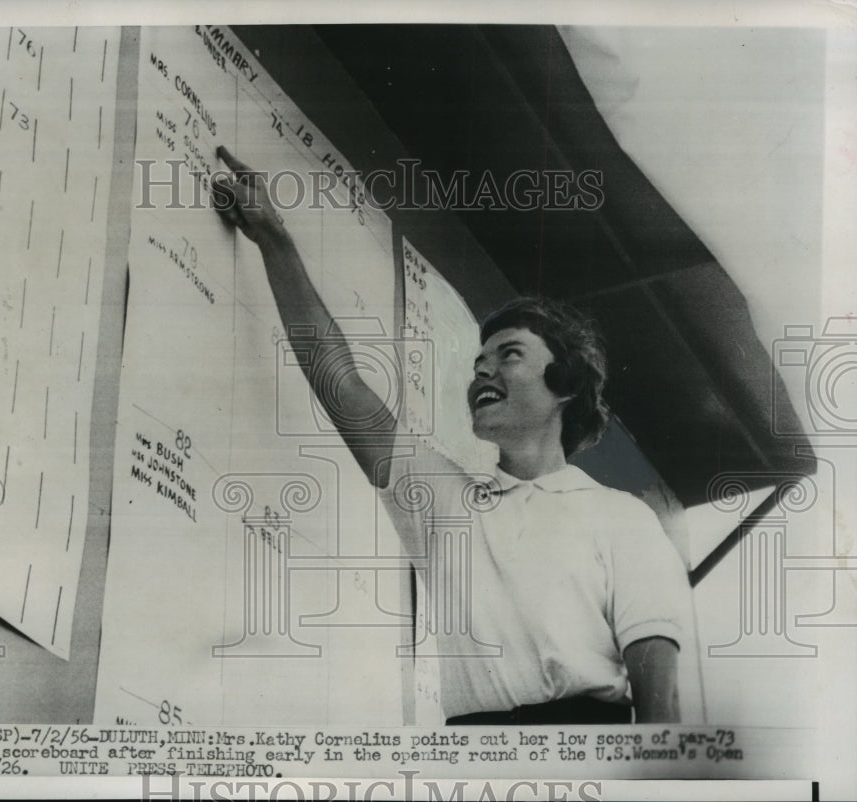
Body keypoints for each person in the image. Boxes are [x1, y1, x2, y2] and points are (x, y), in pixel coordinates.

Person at [212, 146, 692, 725]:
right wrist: (274, 239)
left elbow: (662, 707)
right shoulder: (446, 503)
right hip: (468, 762)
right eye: (479, 361)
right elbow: (343, 387)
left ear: (564, 384)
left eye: (508, 355)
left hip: (584, 756)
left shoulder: (621, 517)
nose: (483, 370)